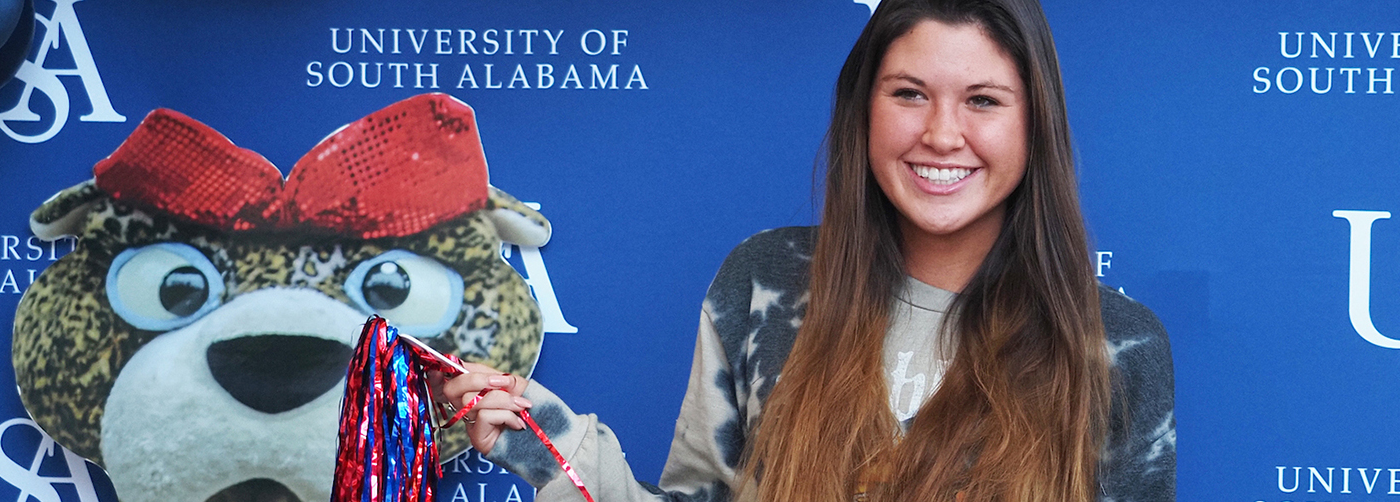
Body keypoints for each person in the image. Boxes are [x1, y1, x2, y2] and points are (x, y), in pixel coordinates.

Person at [437, 0, 1177, 500]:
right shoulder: (761, 282)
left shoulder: (1118, 346)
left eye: (983, 100)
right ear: (863, 110)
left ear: (1034, 125)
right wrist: (553, 442)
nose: (943, 134)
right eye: (909, 94)